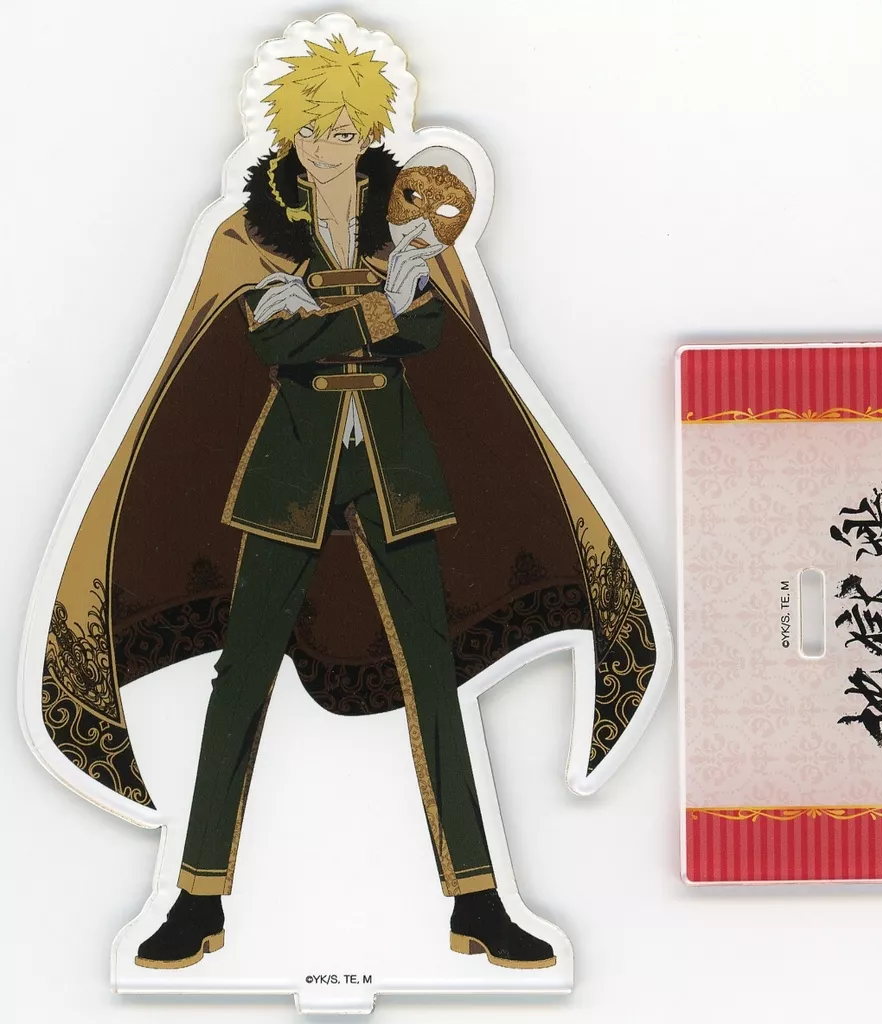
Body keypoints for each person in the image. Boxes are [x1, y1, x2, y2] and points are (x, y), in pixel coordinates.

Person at [134, 34, 556, 972]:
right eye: (313, 129)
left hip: (392, 465)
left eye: (344, 129)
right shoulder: (251, 230)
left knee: (435, 674)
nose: (328, 145)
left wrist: (344, 313)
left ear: (368, 131)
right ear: (290, 132)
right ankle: (196, 899)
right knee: (242, 675)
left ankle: (478, 900)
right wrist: (372, 313)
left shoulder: (404, 214)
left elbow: (433, 327)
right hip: (293, 467)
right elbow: (268, 344)